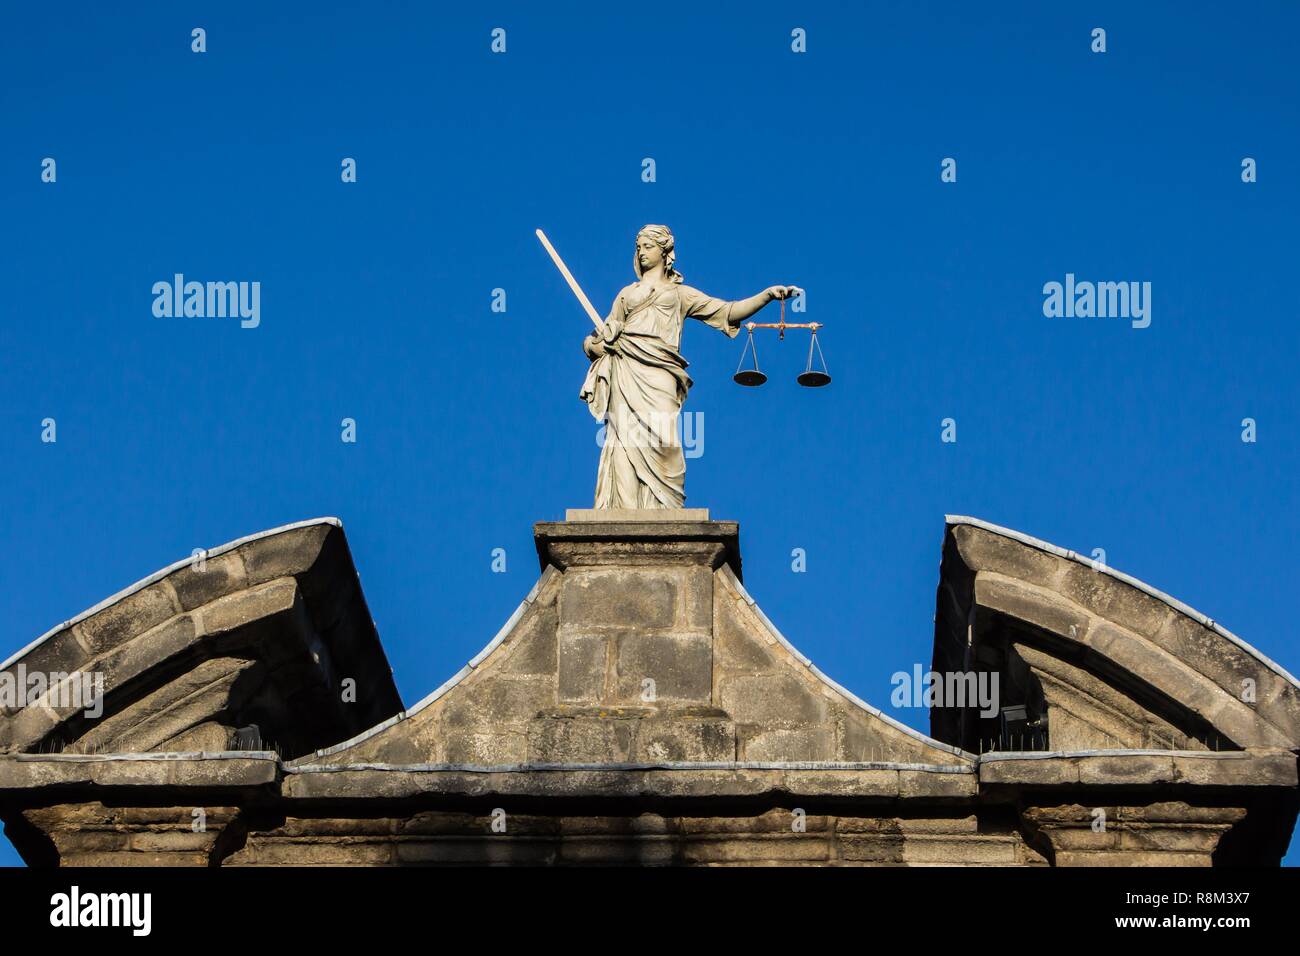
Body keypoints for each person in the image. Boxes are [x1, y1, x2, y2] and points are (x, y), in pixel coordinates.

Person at [580, 224, 800, 508]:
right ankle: (626, 512)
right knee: (624, 442)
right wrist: (598, 345)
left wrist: (767, 296)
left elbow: (727, 311)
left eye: (648, 247)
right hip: (626, 371)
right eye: (639, 248)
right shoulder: (626, 295)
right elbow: (595, 342)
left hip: (660, 376)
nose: (642, 253)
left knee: (665, 442)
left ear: (665, 251)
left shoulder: (680, 294)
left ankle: (662, 510)